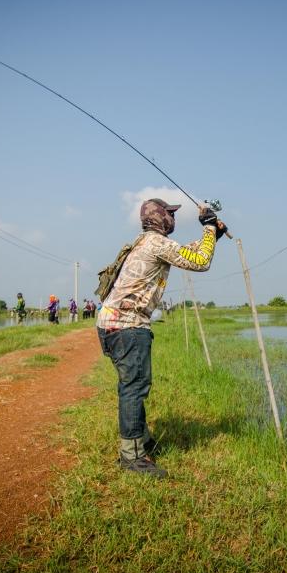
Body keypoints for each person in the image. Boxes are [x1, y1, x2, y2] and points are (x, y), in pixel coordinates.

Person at [97, 198, 227, 477]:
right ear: (159, 217)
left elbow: (186, 252)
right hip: (127, 325)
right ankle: (131, 457)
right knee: (133, 388)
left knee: (131, 385)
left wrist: (212, 234)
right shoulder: (155, 243)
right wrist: (208, 227)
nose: (174, 219)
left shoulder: (145, 242)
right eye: (170, 214)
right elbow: (200, 261)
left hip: (113, 324)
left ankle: (141, 441)